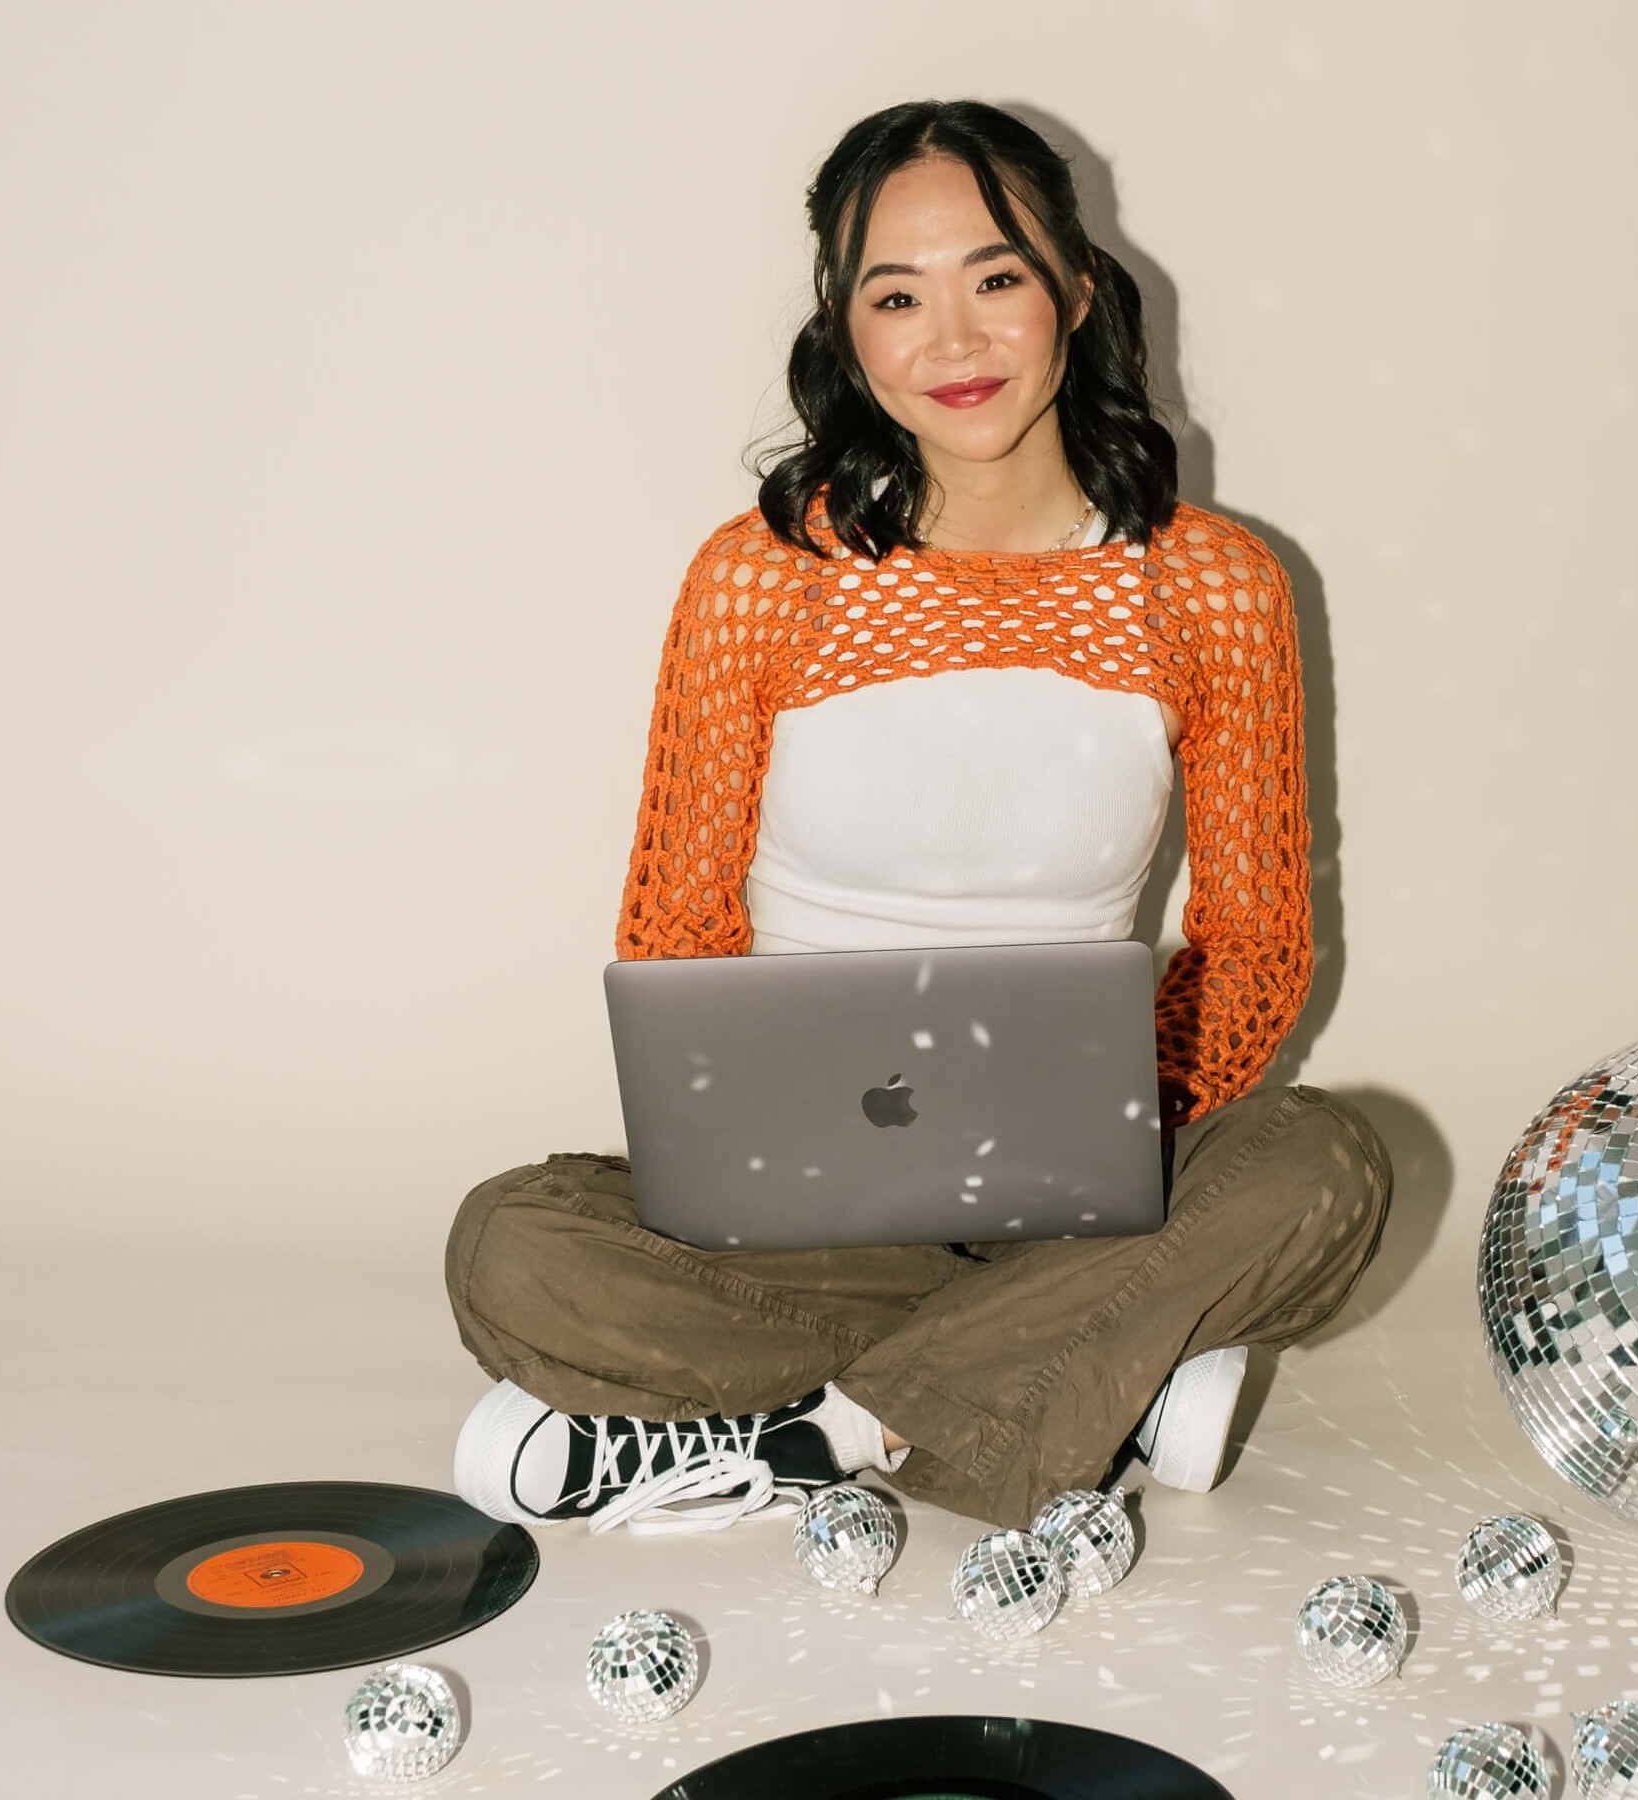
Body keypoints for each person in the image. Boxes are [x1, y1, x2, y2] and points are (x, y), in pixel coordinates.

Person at [443, 99, 1393, 1539]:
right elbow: (677, 927)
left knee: (1326, 1169)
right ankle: (1104, 1370)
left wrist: (1104, 1120)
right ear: (848, 331)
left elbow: (1254, 942)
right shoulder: (763, 578)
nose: (953, 342)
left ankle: (824, 1435)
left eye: (995, 279)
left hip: (1083, 1190)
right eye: (898, 295)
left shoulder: (1210, 584)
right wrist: (752, 1142)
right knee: (513, 1248)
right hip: (801, 1206)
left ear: (1075, 290)